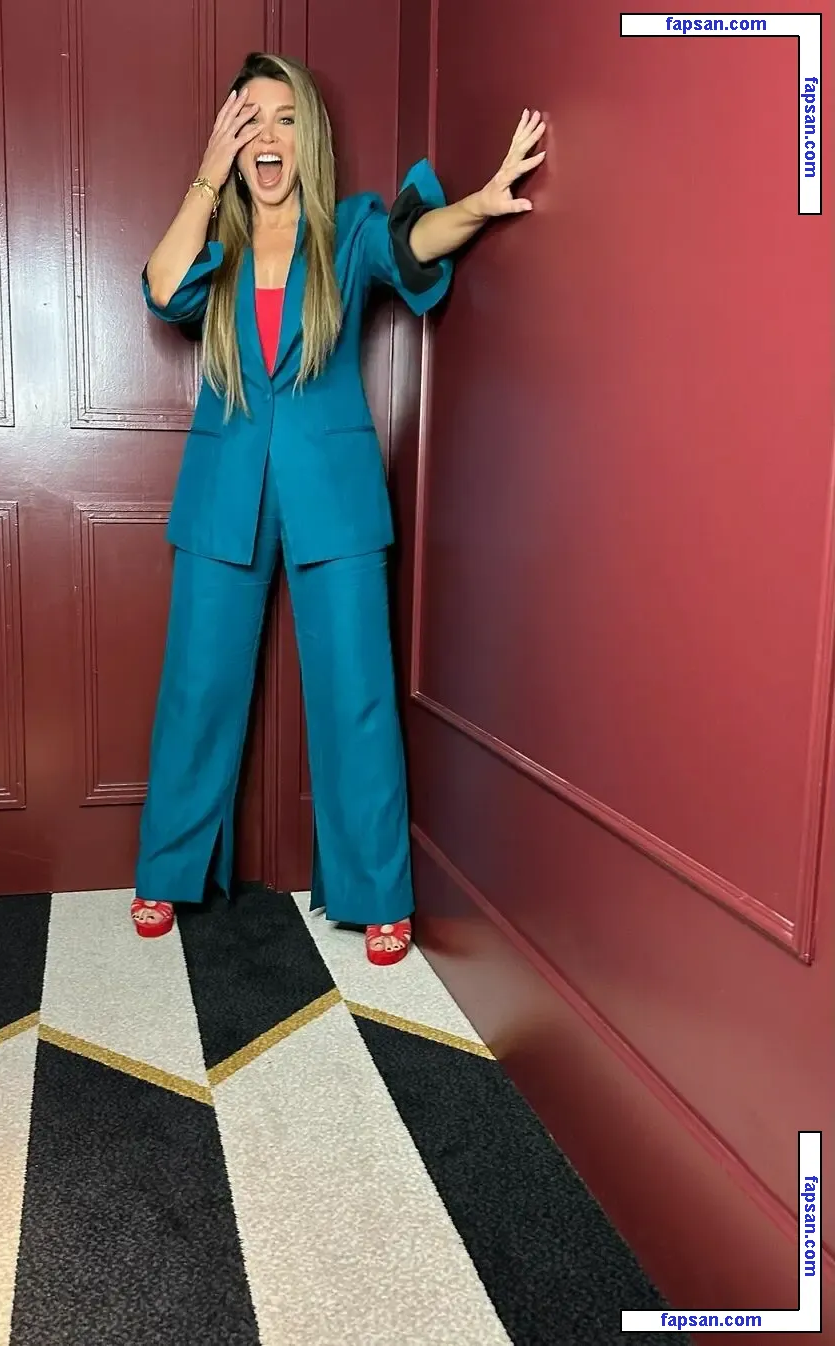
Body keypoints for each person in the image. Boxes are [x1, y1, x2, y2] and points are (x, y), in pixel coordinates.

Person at [134, 51, 545, 965]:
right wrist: (206, 173)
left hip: (336, 497)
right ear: (230, 139)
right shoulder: (214, 249)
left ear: (308, 136)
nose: (268, 137)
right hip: (223, 495)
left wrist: (478, 206)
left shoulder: (349, 231)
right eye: (249, 120)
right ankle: (165, 870)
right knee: (197, 688)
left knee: (357, 693)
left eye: (285, 118)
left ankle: (376, 891)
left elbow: (416, 242)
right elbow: (162, 289)